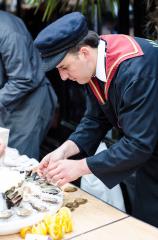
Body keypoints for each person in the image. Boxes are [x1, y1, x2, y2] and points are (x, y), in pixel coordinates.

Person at [34, 12, 158, 227]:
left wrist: (80, 167)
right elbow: (95, 119)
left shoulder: (136, 70)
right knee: (146, 221)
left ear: (83, 52)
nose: (63, 77)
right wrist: (64, 151)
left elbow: (138, 143)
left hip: (146, 146)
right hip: (150, 153)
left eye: (64, 67)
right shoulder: (96, 59)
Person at [0, 10, 57, 159]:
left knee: (17, 164)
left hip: (28, 106)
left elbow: (22, 79)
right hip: (7, 103)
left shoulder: (8, 32)